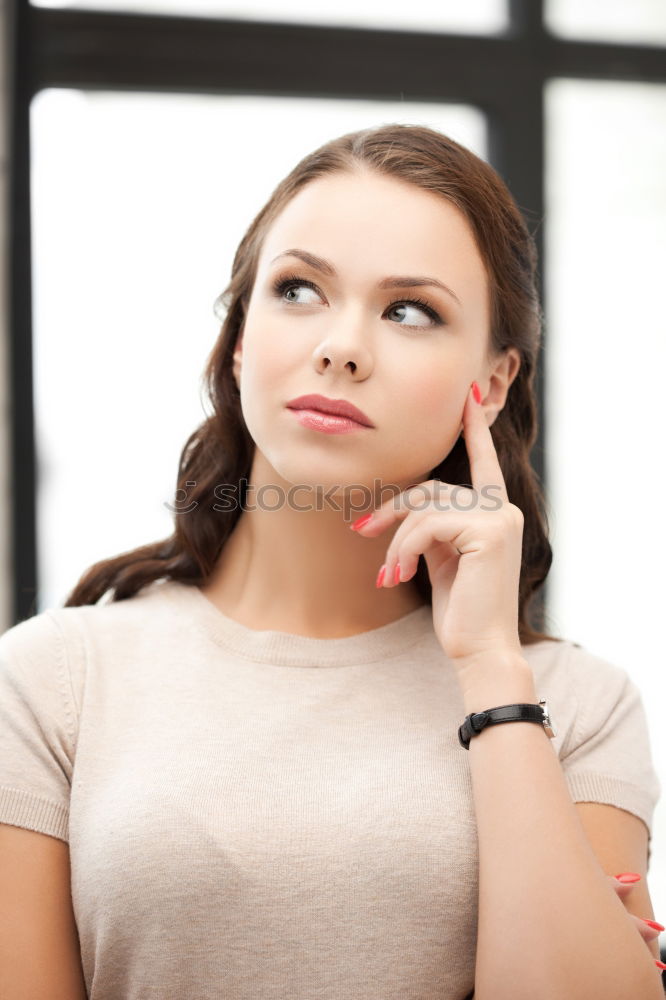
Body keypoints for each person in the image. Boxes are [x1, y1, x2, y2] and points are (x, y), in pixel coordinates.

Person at [0, 123, 663, 1000]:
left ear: (493, 381)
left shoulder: (574, 704)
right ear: (240, 341)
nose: (342, 345)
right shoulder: (53, 681)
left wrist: (493, 672)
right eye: (299, 289)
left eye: (408, 310)